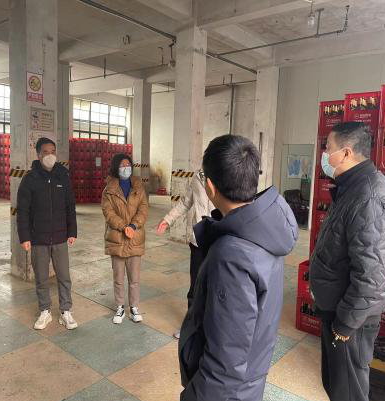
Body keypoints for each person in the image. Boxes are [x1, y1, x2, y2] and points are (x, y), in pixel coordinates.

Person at [179, 135, 298, 401]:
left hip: (226, 392)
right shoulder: (264, 230)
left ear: (210, 187)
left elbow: (225, 360)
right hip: (250, 378)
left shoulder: (231, 255)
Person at [310, 122, 385, 401]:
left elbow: (371, 278)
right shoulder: (353, 187)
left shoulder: (369, 197)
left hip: (352, 319)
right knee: (338, 386)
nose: (325, 155)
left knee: (348, 392)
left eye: (328, 149)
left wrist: (345, 324)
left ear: (347, 153)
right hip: (339, 310)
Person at [17, 137, 78, 330]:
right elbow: (23, 211)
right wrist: (25, 237)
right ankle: (45, 311)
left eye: (53, 151)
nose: (50, 155)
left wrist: (72, 231)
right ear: (38, 154)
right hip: (38, 238)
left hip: (60, 237)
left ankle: (66, 311)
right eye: (45, 152)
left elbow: (70, 206)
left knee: (64, 276)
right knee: (41, 278)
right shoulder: (30, 179)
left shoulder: (63, 176)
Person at [156, 169, 213, 339]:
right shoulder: (197, 177)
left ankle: (212, 330)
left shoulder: (225, 175)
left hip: (218, 241)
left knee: (215, 287)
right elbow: (185, 203)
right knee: (195, 287)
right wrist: (168, 219)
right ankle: (191, 327)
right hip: (198, 241)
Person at [102, 153, 148, 324]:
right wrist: (123, 227)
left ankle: (134, 307)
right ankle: (120, 307)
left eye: (128, 165)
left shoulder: (139, 187)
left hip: (135, 237)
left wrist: (133, 226)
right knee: (118, 278)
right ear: (116, 167)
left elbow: (143, 209)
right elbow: (108, 213)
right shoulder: (108, 190)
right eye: (122, 165)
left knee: (134, 278)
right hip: (117, 238)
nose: (125, 168)